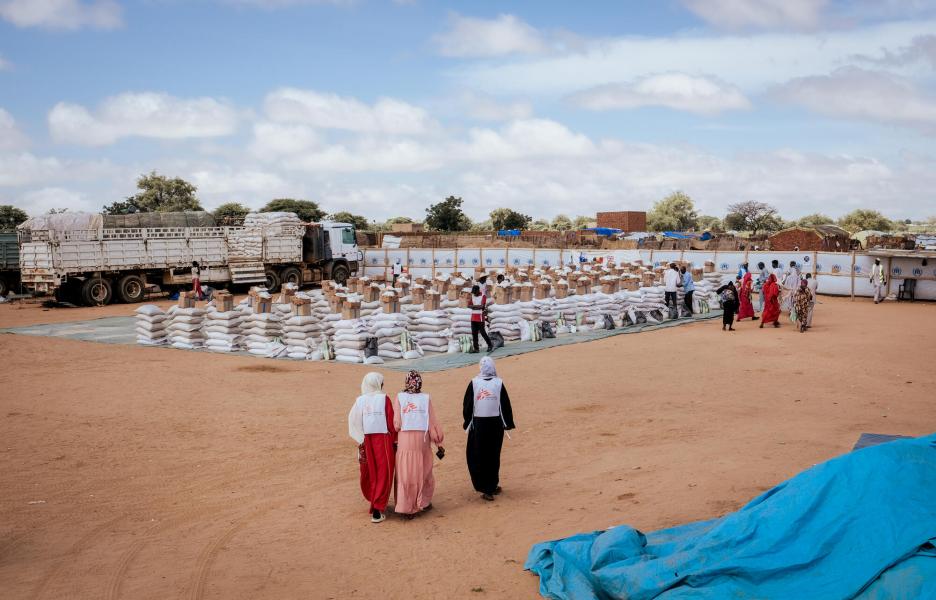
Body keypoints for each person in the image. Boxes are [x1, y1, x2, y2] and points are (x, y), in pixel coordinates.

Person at [393, 370, 444, 519]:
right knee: (424, 471)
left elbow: (396, 424)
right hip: (422, 441)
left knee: (406, 473)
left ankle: (406, 506)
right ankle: (424, 502)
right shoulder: (426, 398)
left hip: (405, 442)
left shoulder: (399, 397)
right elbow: (432, 423)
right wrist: (438, 442)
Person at [463, 357, 515, 502]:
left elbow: (467, 405)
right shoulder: (498, 383)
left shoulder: (474, 383)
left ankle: (487, 488)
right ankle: (491, 485)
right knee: (493, 455)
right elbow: (505, 405)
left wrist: (468, 421)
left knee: (478, 455)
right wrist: (507, 423)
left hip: (479, 426)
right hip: (495, 425)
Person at [348, 372, 397, 523]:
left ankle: (375, 501)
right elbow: (391, 422)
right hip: (383, 441)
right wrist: (395, 440)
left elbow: (353, 421)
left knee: (370, 472)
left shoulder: (360, 401)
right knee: (384, 472)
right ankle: (378, 507)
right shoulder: (385, 399)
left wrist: (361, 439)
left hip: (366, 441)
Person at [469, 284, 493, 354]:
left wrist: (474, 306)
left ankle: (490, 345)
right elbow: (468, 305)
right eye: (473, 292)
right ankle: (476, 348)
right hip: (473, 317)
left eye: (475, 292)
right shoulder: (473, 296)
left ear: (478, 290)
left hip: (480, 317)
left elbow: (482, 306)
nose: (474, 294)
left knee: (483, 333)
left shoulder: (483, 296)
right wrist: (477, 306)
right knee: (474, 333)